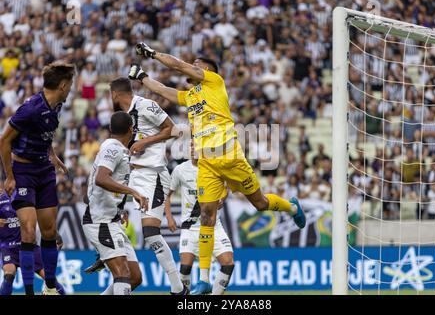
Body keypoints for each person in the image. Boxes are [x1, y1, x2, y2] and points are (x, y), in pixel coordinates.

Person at [128, 42, 306, 294]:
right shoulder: (190, 97)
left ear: (209, 70)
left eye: (199, 66)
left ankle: (292, 207)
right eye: (195, 65)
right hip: (208, 164)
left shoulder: (214, 82)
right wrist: (143, 77)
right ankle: (203, 278)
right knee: (207, 217)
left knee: (260, 203)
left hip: (231, 156)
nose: (194, 68)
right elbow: (165, 90)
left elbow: (179, 65)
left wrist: (153, 54)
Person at [0, 62, 75, 295]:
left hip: (45, 171)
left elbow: (45, 135)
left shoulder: (57, 105)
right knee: (29, 231)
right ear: (63, 85)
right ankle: (31, 291)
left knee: (50, 230)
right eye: (70, 84)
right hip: (23, 173)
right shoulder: (30, 108)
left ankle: (50, 286)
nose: (71, 87)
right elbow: (4, 141)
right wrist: (9, 176)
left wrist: (53, 156)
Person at [109, 77, 188, 295]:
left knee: (151, 233)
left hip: (153, 175)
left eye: (110, 95)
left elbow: (173, 129)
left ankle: (178, 287)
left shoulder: (144, 105)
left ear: (115, 94)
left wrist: (145, 141)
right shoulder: (122, 118)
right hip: (133, 176)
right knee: (111, 225)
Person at [82, 111, 147, 295]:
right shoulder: (113, 148)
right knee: (122, 274)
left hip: (112, 220)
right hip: (100, 221)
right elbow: (101, 178)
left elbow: (109, 186)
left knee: (135, 277)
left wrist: (120, 209)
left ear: (111, 129)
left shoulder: (119, 149)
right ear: (131, 130)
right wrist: (133, 191)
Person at [165, 142, 233, 295]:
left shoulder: (214, 167)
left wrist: (222, 198)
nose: (192, 149)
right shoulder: (180, 170)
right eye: (190, 146)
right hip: (190, 228)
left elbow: (225, 188)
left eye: (196, 146)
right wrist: (169, 217)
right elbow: (167, 195)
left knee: (228, 264)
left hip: (214, 226)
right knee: (185, 268)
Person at [0, 189, 65, 295]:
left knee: (50, 279)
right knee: (9, 274)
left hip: (29, 245)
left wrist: (55, 234)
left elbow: (41, 217)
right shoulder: (1, 199)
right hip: (8, 247)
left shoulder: (27, 196)